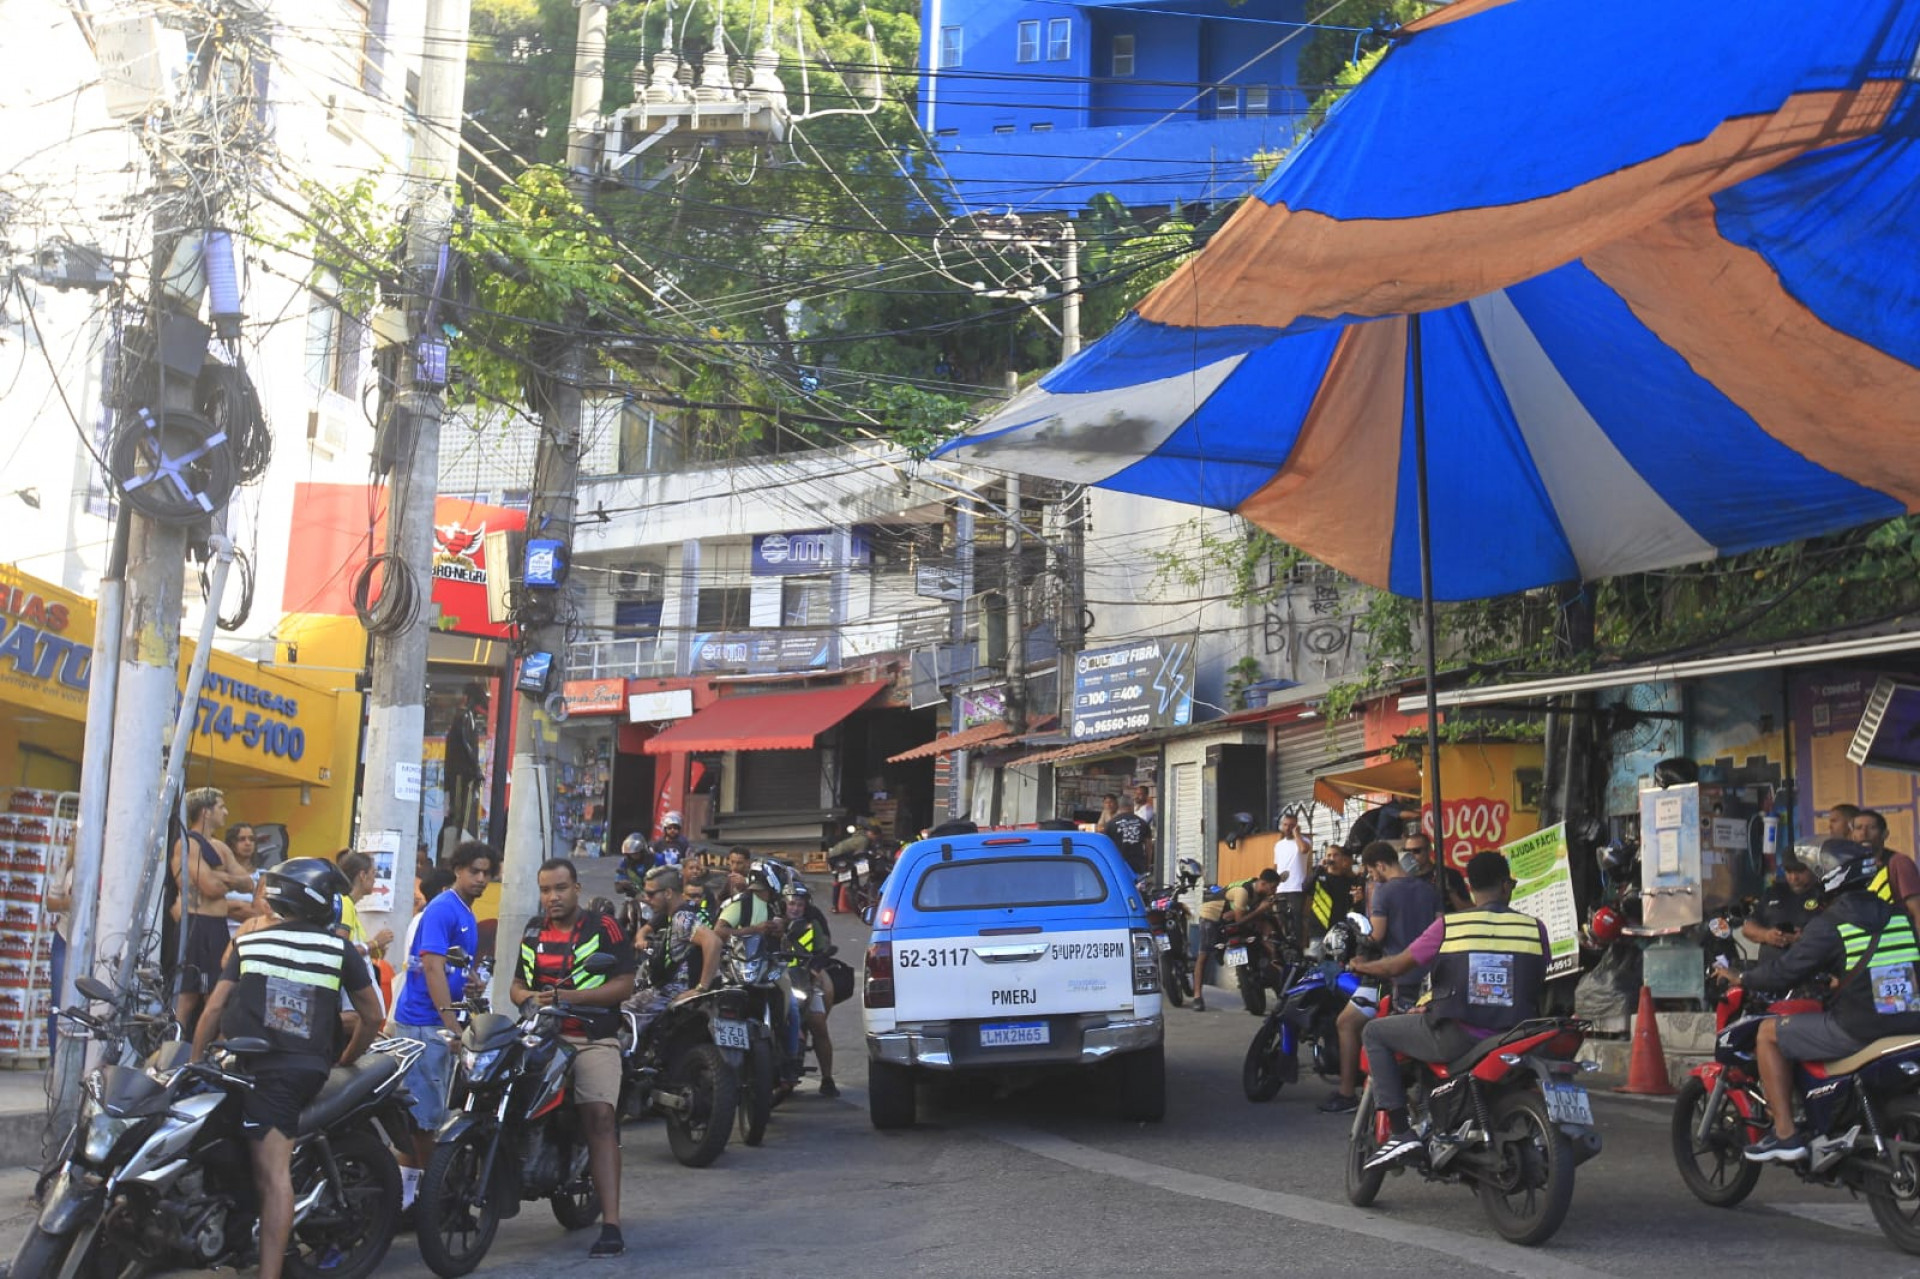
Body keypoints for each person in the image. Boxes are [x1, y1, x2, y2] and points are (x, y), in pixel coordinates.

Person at [191, 858, 382, 1279]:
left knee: (272, 1174)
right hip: (292, 1067)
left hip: (272, 1074)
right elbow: (373, 1016)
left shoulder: (250, 942)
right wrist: (346, 1057)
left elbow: (214, 1008)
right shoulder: (338, 948)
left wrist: (192, 1062)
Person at [1350, 851, 1550, 1168]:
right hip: (1514, 1034)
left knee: (1374, 1032)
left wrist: (1361, 965)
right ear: (1506, 886)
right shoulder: (1534, 928)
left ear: (1470, 888)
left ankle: (1401, 1133)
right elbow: (1535, 979)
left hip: (1460, 1036)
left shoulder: (1451, 926)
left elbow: (1397, 966)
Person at [1738, 843, 1920, 1163]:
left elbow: (1785, 973)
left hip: (1860, 1029)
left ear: (1830, 877)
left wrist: (1742, 978)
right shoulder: (1898, 915)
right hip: (1909, 1022)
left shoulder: (1830, 923)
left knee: (1768, 1033)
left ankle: (1784, 1134)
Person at [511, 859, 637, 1259]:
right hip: (539, 1036)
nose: (553, 897)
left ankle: (612, 1224)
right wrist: (529, 999)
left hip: (591, 1038)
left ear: (577, 888)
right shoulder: (533, 930)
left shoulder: (604, 928)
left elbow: (625, 983)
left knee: (599, 1118)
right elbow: (516, 985)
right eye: (546, 890)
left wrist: (572, 998)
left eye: (560, 888)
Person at [391, 840, 491, 1205]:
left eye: (486, 873)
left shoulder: (465, 913)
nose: (480, 878)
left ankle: (414, 1198)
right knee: (423, 1123)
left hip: (439, 1025)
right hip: (423, 1025)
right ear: (458, 871)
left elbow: (448, 967)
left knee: (429, 1118)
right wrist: (452, 1024)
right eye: (474, 871)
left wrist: (470, 982)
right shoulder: (442, 909)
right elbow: (431, 965)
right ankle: (411, 1200)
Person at [1322, 841, 1442, 1114]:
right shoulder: (1428, 889)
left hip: (1390, 977)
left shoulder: (1384, 892)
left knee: (1347, 1023)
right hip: (1429, 977)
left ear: (1380, 865)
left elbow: (1377, 935)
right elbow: (1440, 927)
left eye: (1370, 871)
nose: (1371, 877)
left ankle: (1347, 1093)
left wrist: (1358, 946)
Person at [171, 788, 255, 1034]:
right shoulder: (188, 844)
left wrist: (220, 876)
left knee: (218, 996)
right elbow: (209, 888)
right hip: (197, 926)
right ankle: (173, 1048)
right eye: (221, 807)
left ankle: (211, 1054)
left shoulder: (220, 847)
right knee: (187, 997)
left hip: (218, 928)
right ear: (206, 812)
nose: (226, 812)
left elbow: (249, 882)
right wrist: (224, 879)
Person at [781, 881, 837, 1097]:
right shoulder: (773, 924)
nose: (795, 908)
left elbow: (822, 951)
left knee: (818, 1024)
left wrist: (814, 972)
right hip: (778, 982)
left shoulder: (813, 925)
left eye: (800, 905)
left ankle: (827, 1078)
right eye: (791, 903)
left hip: (805, 983)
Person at [1743, 853, 1823, 959]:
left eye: (1800, 871)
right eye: (1789, 872)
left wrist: (1803, 938)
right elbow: (1748, 928)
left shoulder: (1826, 895)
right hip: (1769, 970)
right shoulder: (1774, 892)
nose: (1794, 877)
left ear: (1812, 868)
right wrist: (1767, 935)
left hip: (1809, 966)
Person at [441, 683, 487, 855]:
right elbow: (466, 744)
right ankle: (454, 851)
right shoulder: (464, 717)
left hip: (462, 774)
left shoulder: (468, 717)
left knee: (460, 814)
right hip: (461, 774)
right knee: (459, 814)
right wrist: (475, 769)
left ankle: (454, 850)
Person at [1403, 830, 1472, 913]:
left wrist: (1450, 890)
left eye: (1416, 851)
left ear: (1429, 850)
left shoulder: (1448, 874)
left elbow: (1468, 910)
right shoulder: (1403, 879)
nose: (1411, 856)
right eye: (1407, 852)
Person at [1306, 844, 1365, 938]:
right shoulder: (1318, 876)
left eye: (1335, 855)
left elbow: (1354, 905)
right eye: (1329, 855)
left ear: (1342, 859)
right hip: (1318, 930)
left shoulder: (1349, 881)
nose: (1332, 858)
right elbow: (1305, 888)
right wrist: (1319, 868)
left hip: (1339, 931)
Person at [223, 822, 266, 936]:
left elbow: (259, 915)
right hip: (220, 936)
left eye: (251, 839)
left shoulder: (262, 876)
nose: (248, 843)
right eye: (242, 839)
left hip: (250, 937)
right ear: (231, 843)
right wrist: (241, 906)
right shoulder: (220, 875)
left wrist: (227, 906)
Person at [1273, 814, 1309, 943]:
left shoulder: (1303, 841)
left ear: (1297, 826)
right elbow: (1277, 865)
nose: (1288, 828)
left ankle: (1298, 947)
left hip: (1296, 887)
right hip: (1281, 888)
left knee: (1296, 919)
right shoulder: (1278, 845)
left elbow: (1304, 850)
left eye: (1292, 825)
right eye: (1286, 825)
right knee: (1282, 920)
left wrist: (1297, 835)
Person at [1107, 798, 1151, 876]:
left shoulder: (1111, 824)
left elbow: (1107, 846)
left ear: (1119, 807)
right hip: (1138, 866)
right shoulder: (1142, 823)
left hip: (1118, 866)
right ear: (1132, 806)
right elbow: (1148, 847)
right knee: (1138, 887)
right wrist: (1147, 865)